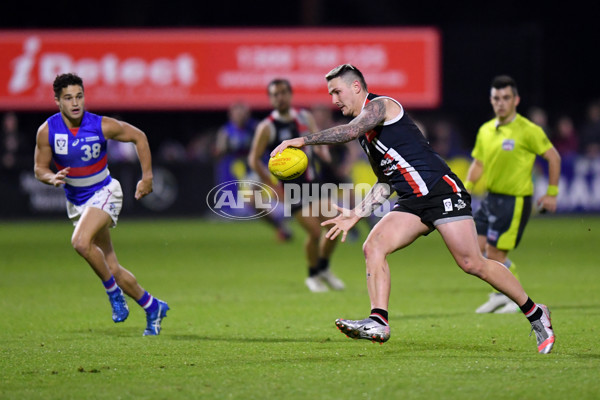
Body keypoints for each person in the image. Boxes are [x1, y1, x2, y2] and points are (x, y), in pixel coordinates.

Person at [270, 64, 554, 353]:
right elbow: (385, 182)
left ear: (356, 87)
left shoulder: (381, 106)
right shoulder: (366, 135)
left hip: (441, 189)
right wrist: (357, 213)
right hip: (412, 201)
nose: (334, 100)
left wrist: (302, 140)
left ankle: (535, 312)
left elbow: (349, 130)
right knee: (374, 246)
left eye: (337, 91)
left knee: (471, 263)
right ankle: (378, 320)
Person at [33, 73, 169, 336]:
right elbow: (39, 168)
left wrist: (147, 176)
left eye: (79, 96)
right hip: (77, 202)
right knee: (112, 268)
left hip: (105, 191)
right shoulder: (47, 130)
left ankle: (113, 295)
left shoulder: (100, 125)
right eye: (68, 98)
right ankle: (152, 306)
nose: (75, 103)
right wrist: (51, 177)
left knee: (80, 243)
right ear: (57, 101)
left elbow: (139, 136)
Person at [464, 75, 561, 314]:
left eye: (506, 98)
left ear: (516, 100)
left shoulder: (528, 130)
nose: (501, 103)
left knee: (495, 253)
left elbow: (553, 157)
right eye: (497, 98)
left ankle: (513, 297)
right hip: (491, 198)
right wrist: (465, 187)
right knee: (475, 249)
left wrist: (551, 193)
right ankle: (499, 294)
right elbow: (478, 163)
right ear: (491, 100)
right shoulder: (486, 130)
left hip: (514, 200)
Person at [248, 78, 345, 292]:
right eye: (275, 94)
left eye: (283, 93)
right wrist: (272, 184)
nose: (279, 97)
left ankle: (324, 268)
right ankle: (313, 276)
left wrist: (323, 151)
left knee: (334, 226)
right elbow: (253, 159)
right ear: (271, 98)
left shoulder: (304, 117)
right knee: (314, 232)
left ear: (290, 94)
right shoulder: (267, 127)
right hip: (292, 189)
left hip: (314, 182)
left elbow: (317, 139)